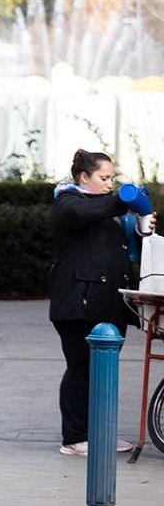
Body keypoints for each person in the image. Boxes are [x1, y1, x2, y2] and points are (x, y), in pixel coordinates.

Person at [50, 149, 153, 456]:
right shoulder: (67, 202)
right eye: (104, 178)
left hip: (110, 303)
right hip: (79, 303)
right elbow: (85, 214)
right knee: (81, 369)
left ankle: (100, 434)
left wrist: (140, 223)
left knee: (102, 371)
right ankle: (75, 437)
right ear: (84, 177)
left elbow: (126, 246)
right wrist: (125, 200)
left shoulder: (108, 208)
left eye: (113, 178)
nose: (110, 184)